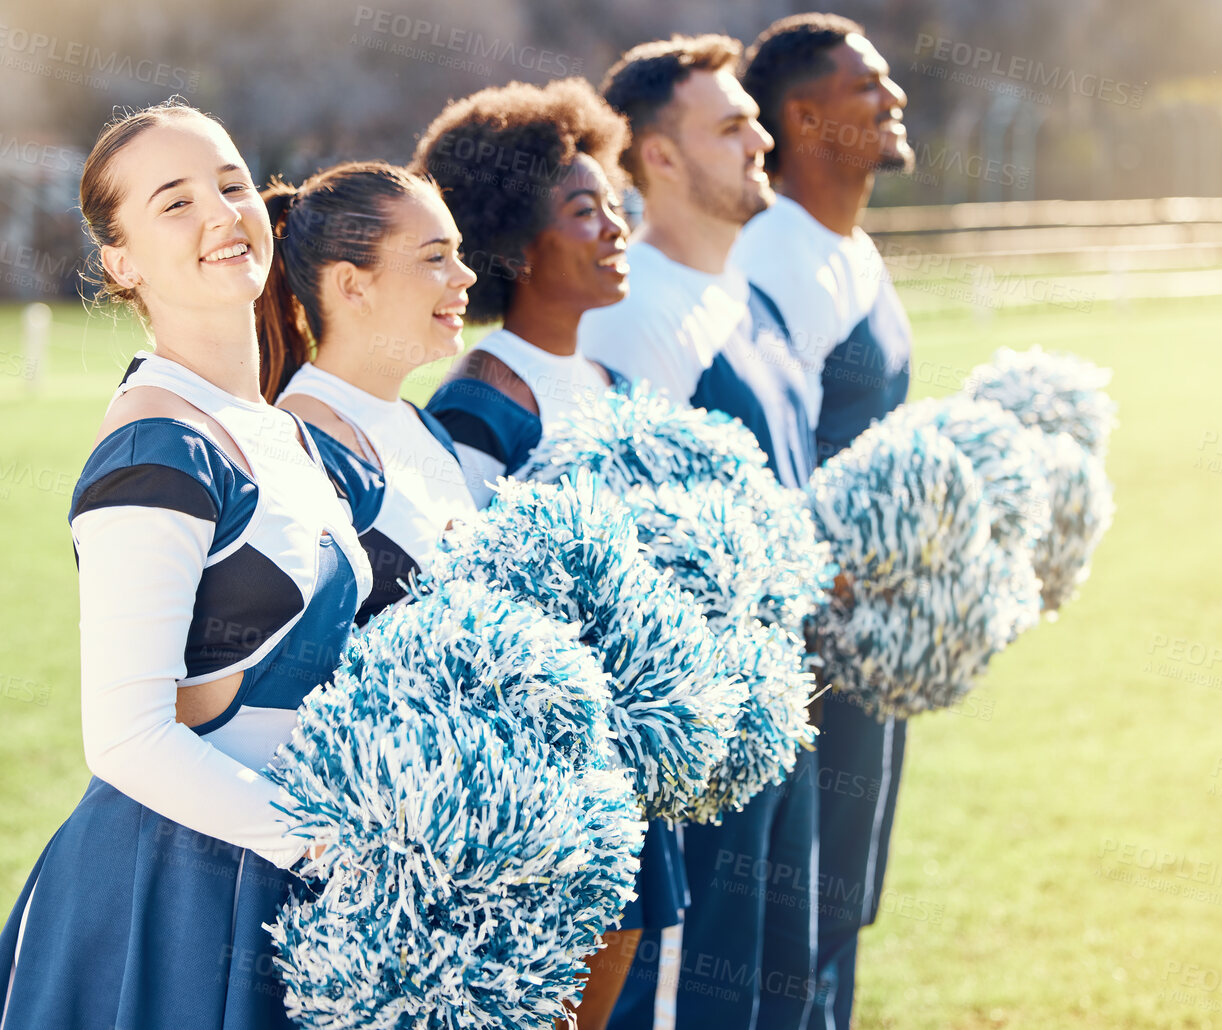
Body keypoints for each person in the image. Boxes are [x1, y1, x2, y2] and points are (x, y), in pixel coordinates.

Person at [0, 100, 366, 1030]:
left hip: (292, 885)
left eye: (232, 185)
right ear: (122, 263)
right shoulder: (158, 449)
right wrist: (336, 847)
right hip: (176, 898)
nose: (222, 215)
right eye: (176, 202)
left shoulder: (276, 429)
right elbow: (126, 738)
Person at [408, 78, 658, 1027]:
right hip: (552, 779)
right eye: (584, 211)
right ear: (514, 245)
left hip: (635, 760)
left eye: (615, 204)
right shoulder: (477, 403)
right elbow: (468, 606)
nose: (615, 227)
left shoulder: (614, 381)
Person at [584, 35, 818, 1030]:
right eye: (731, 127)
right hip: (703, 740)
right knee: (694, 1003)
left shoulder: (753, 300)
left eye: (754, 121)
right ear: (659, 157)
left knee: (778, 989)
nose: (761, 140)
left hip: (781, 708)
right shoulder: (628, 314)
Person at [734, 16, 919, 1029]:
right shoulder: (770, 257)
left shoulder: (853, 248)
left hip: (866, 635)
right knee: (794, 916)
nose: (893, 99)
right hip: (802, 641)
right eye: (866, 87)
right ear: (802, 118)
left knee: (847, 896)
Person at [253, 161, 479, 625]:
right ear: (352, 286)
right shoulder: (301, 447)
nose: (466, 276)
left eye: (457, 253)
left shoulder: (425, 425)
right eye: (435, 257)